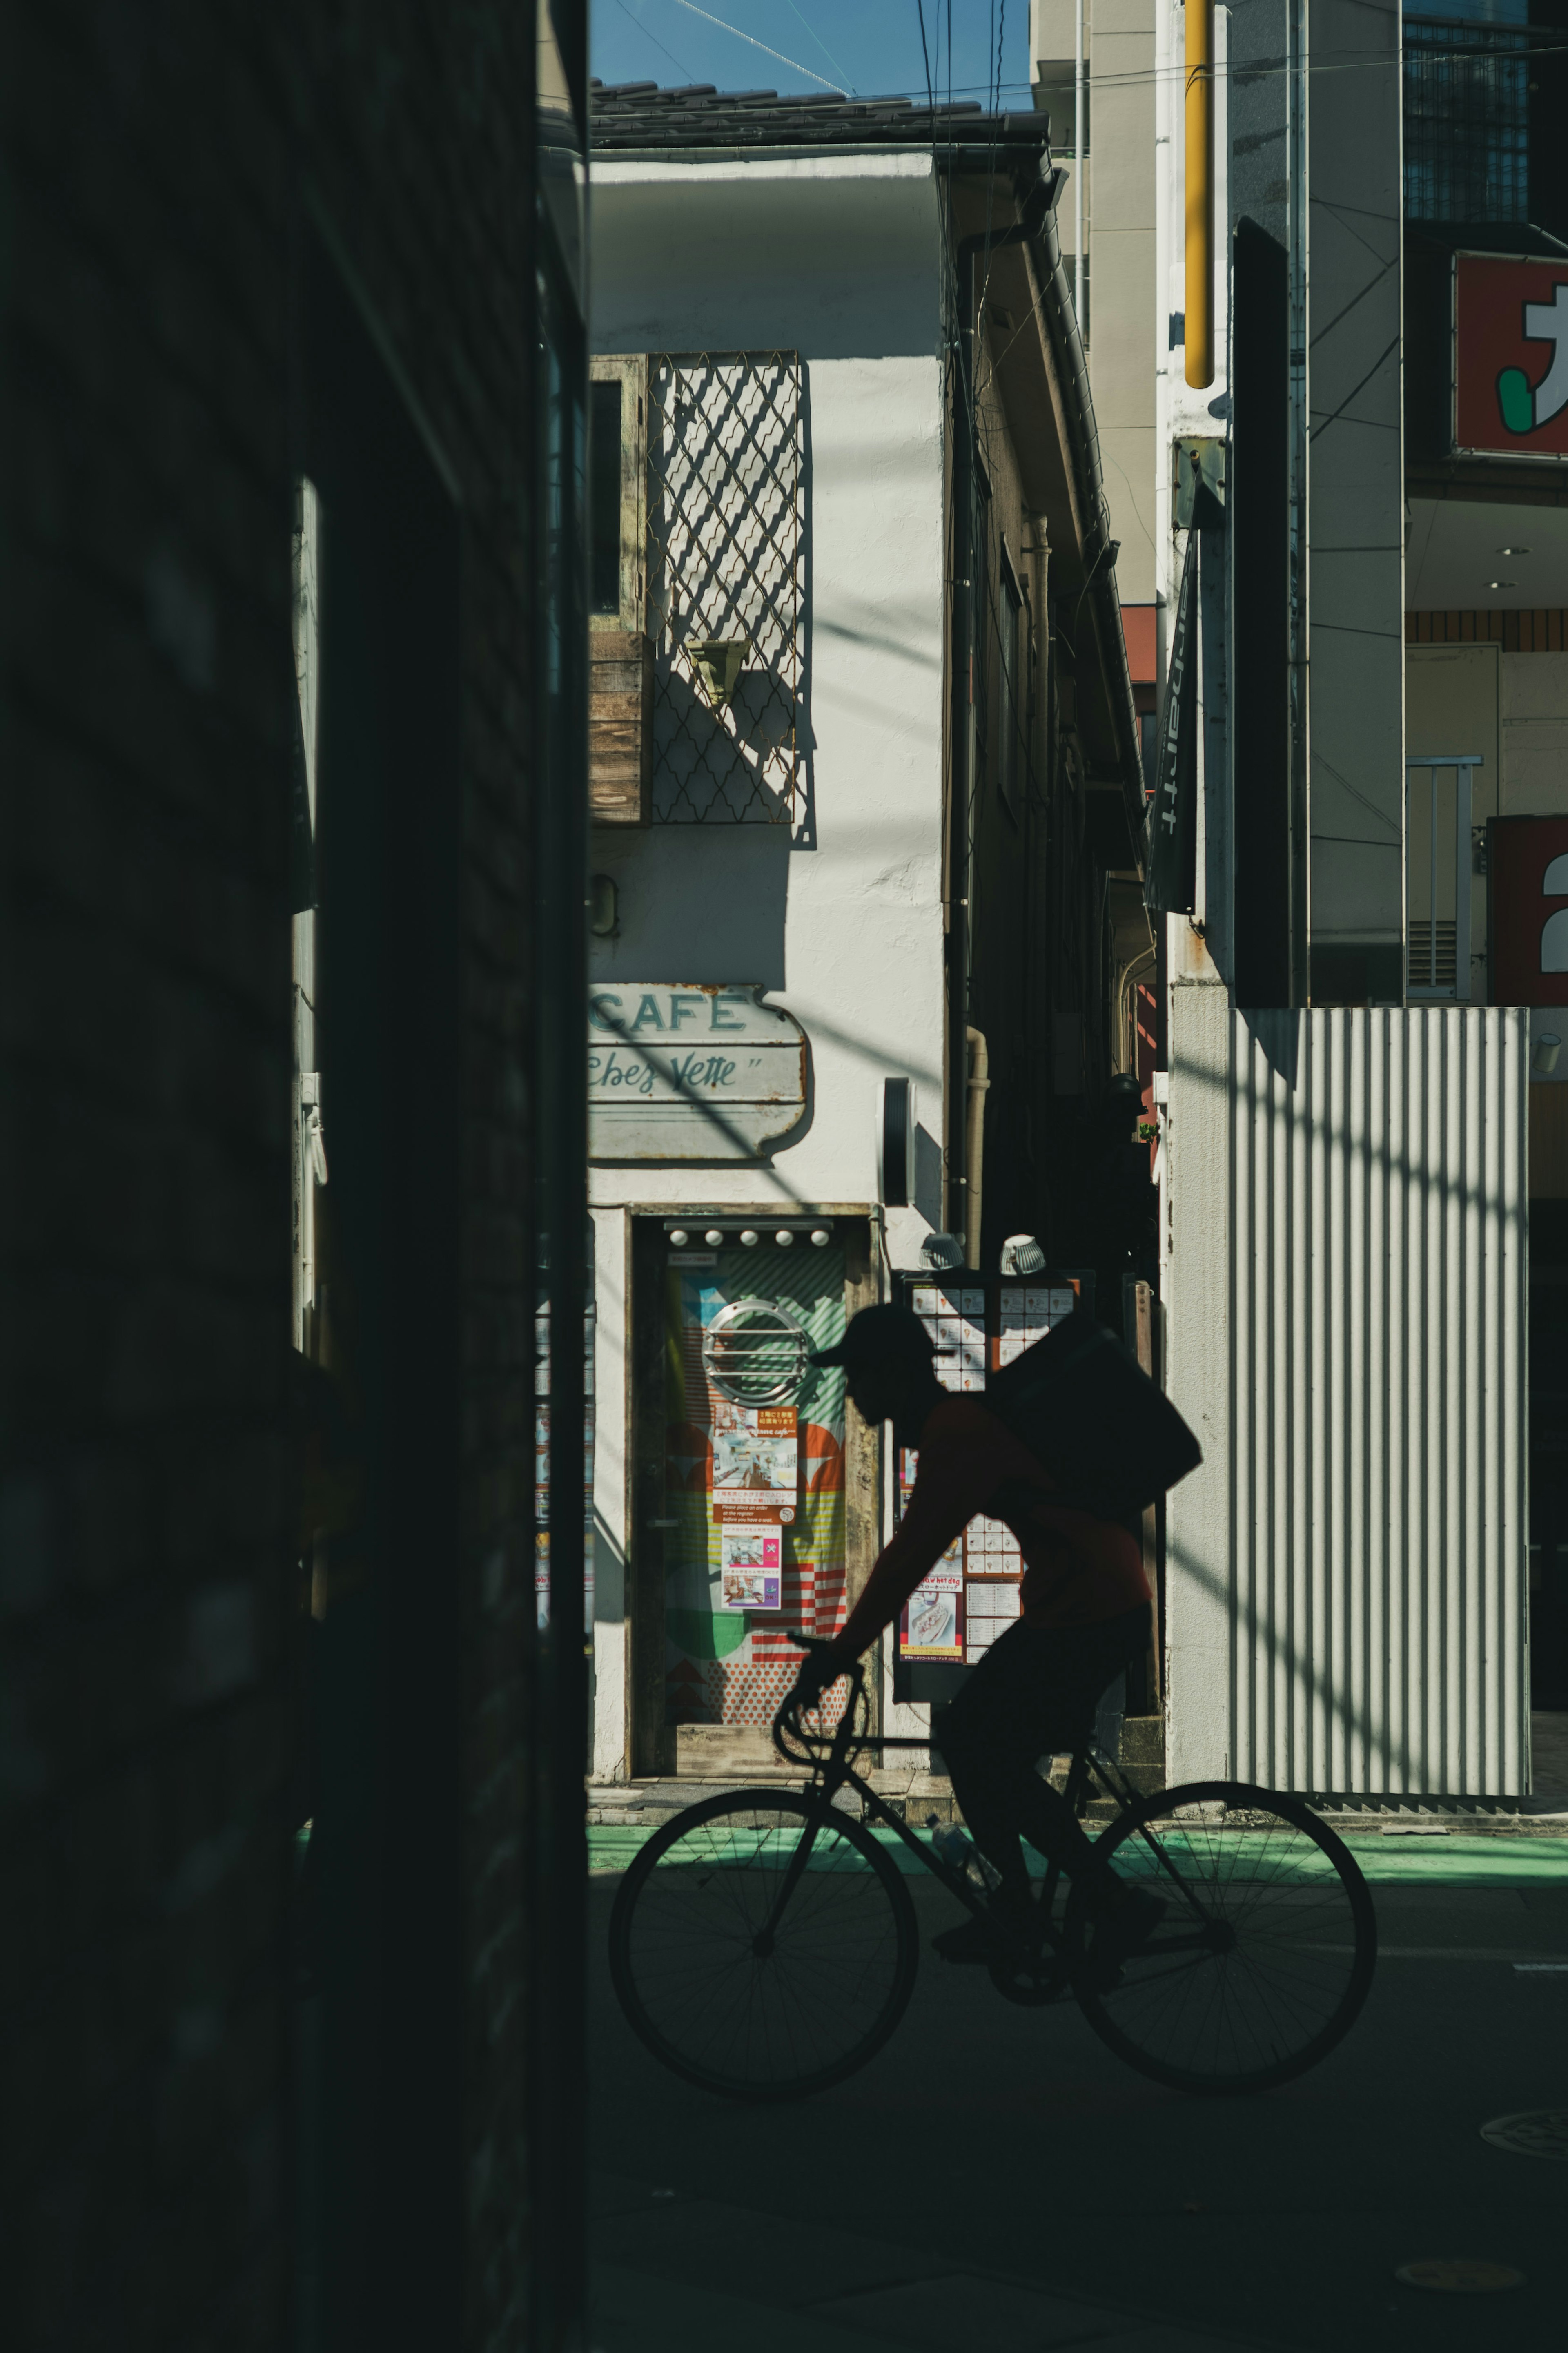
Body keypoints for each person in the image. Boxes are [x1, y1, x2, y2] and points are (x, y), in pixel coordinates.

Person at [788, 1303, 1165, 1968]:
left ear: (895, 1374)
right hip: (1083, 1604)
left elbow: (910, 1554)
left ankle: (1064, 1905)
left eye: (858, 1373)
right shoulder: (957, 1425)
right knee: (984, 1745)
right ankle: (1064, 1903)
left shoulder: (958, 1431)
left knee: (970, 1739)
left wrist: (842, 1653)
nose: (850, 1389)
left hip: (1089, 1608)